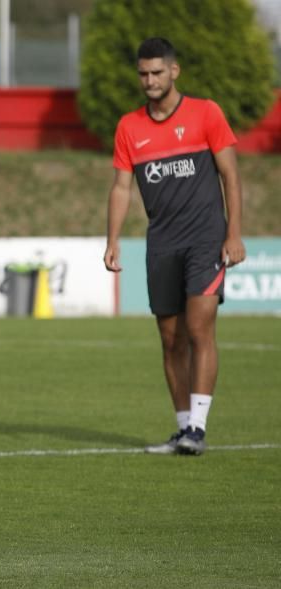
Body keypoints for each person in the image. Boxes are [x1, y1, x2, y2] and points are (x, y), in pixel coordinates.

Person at [104, 38, 245, 456]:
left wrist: (233, 233)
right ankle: (182, 427)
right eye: (143, 74)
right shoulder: (129, 126)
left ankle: (198, 430)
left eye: (157, 72)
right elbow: (120, 187)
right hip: (161, 243)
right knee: (170, 339)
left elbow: (231, 177)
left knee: (199, 328)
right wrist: (112, 240)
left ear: (174, 71)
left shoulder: (206, 113)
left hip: (205, 238)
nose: (149, 80)